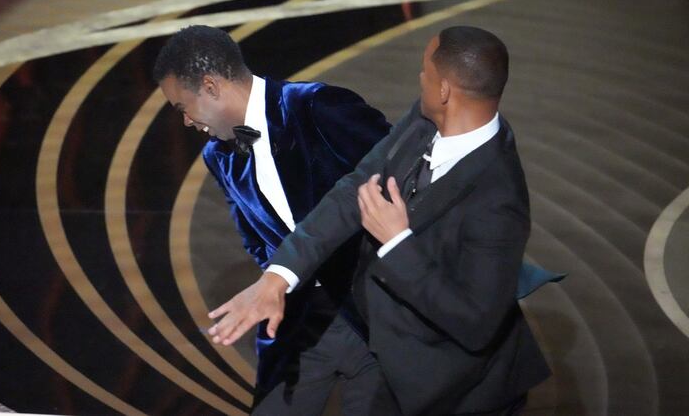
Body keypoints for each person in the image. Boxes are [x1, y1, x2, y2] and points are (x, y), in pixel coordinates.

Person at [207, 26, 552, 415]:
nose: (419, 77)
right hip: (390, 361)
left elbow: (474, 322)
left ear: (444, 91)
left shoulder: (499, 199)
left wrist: (397, 242)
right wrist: (278, 275)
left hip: (458, 393)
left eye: (425, 71)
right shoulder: (425, 120)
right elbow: (353, 189)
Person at [153, 25, 395, 415]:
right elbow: (254, 238)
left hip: (376, 314)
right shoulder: (218, 156)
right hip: (299, 318)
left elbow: (403, 176)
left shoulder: (318, 106)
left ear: (211, 87)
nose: (185, 122)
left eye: (183, 108)